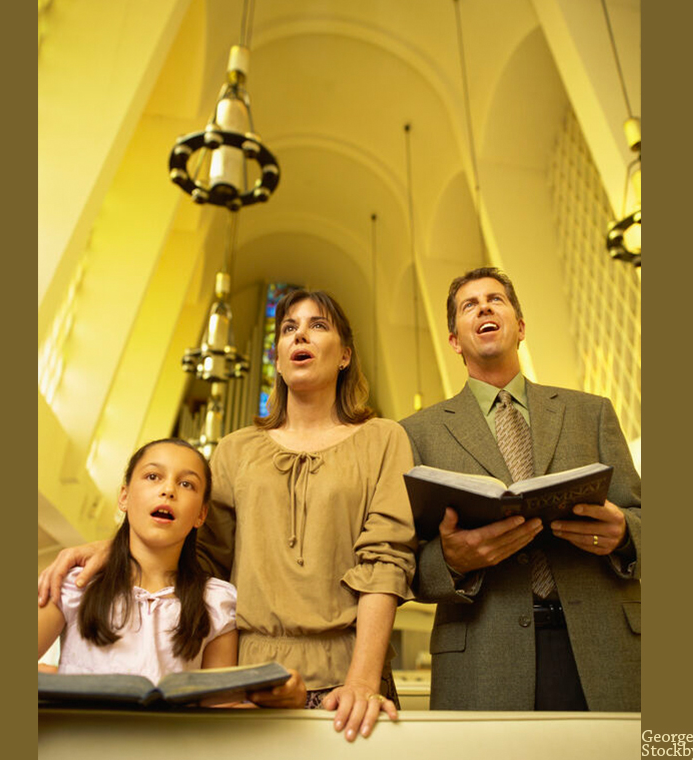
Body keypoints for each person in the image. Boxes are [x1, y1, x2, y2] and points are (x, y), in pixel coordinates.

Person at [39, 290, 417, 740]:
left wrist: (361, 680)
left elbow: (385, 561)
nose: (301, 334)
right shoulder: (237, 449)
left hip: (350, 675)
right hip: (246, 676)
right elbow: (197, 553)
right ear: (276, 358)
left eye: (318, 325)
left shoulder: (383, 439)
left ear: (345, 355)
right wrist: (116, 548)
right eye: (289, 327)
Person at [400, 267, 641, 712]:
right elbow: (402, 559)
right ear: (454, 340)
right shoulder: (415, 433)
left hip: (601, 644)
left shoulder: (592, 413)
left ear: (521, 327)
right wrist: (451, 561)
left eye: (496, 300)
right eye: (469, 305)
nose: (484, 307)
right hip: (483, 656)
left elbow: (644, 520)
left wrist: (624, 533)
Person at [37, 438, 305, 708]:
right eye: (153, 476)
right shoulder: (74, 583)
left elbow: (221, 709)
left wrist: (284, 698)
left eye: (186, 484)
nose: (168, 490)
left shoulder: (216, 602)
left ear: (201, 514)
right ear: (124, 496)